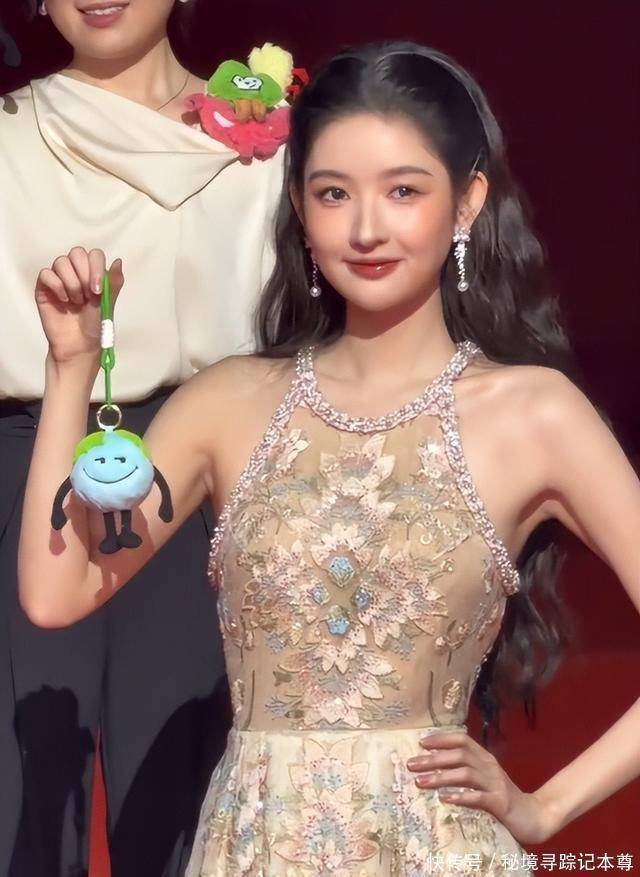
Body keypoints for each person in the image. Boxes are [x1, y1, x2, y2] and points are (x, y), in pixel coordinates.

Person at [18, 41, 640, 876]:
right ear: (300, 209)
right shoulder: (228, 402)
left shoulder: (535, 413)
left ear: (467, 203)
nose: (367, 227)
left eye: (404, 191)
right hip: (252, 851)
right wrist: (69, 369)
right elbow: (57, 590)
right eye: (333, 193)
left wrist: (546, 806)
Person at [0, 1, 285, 874]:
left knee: (179, 795)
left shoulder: (265, 142)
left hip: (199, 468)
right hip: (21, 464)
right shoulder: (9, 132)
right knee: (21, 782)